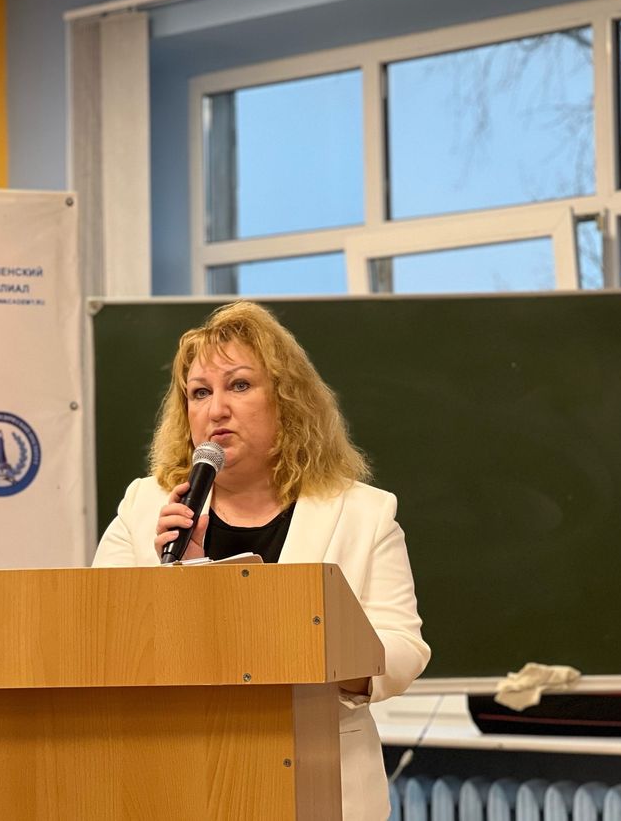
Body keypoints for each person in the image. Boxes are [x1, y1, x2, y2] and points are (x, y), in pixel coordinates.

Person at [92, 300, 430, 820]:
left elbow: (404, 649)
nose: (216, 410)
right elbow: (103, 639)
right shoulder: (145, 506)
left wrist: (318, 645)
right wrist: (180, 578)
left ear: (287, 401)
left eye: (240, 385)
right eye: (200, 393)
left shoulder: (363, 512)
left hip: (321, 782)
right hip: (177, 780)